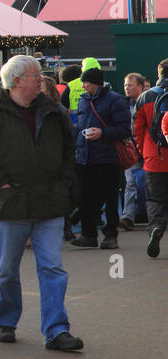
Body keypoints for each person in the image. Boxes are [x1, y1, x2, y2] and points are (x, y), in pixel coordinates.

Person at [0, 55, 84, 351]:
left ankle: (57, 330)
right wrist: (0, 182)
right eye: (35, 75)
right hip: (10, 202)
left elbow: (70, 152)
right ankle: (6, 321)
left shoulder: (54, 111)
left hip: (49, 202)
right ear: (17, 80)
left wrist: (64, 185)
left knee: (53, 268)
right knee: (6, 269)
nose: (40, 79)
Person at [72, 66, 131, 250]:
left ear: (94, 83)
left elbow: (124, 130)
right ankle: (88, 234)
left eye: (85, 82)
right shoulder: (84, 100)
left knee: (109, 197)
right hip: (85, 156)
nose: (82, 86)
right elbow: (80, 126)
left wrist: (102, 133)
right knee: (85, 197)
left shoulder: (115, 100)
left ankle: (111, 235)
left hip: (107, 156)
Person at [134, 60, 168, 258]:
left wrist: (143, 152)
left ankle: (156, 227)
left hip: (155, 157)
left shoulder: (146, 97)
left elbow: (137, 130)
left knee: (155, 199)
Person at [121, 73, 148, 230]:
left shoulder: (148, 102)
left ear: (140, 86)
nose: (127, 88)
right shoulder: (122, 104)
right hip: (130, 150)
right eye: (125, 85)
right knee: (130, 183)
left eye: (130, 85)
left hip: (148, 149)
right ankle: (127, 217)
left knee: (151, 184)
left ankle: (154, 216)